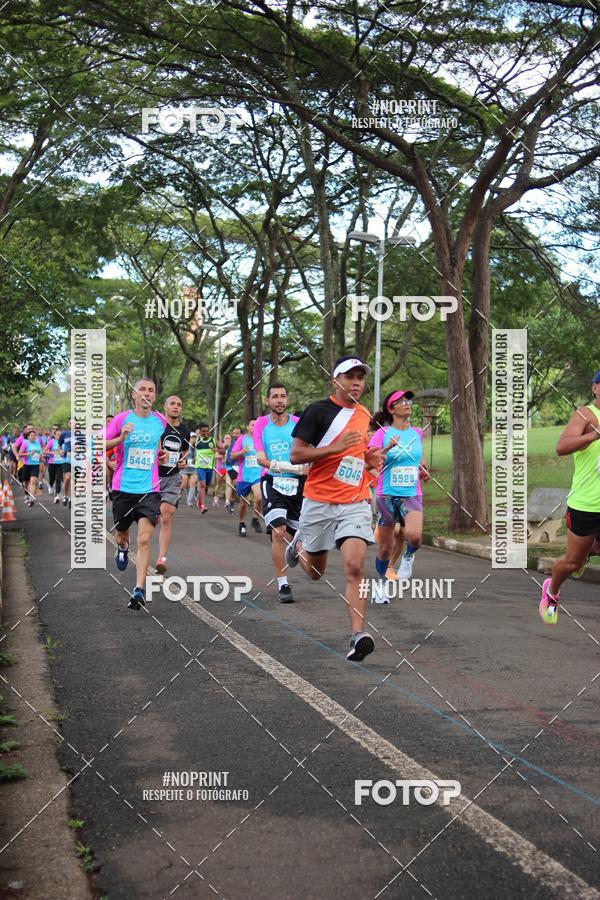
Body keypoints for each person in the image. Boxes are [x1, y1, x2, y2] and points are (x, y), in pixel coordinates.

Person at [285, 356, 383, 661]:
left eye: (360, 377)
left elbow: (357, 455)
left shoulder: (365, 413)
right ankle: (300, 546)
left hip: (354, 502)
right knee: (315, 572)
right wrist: (335, 448)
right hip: (318, 501)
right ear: (335, 381)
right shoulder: (317, 411)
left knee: (355, 567)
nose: (356, 382)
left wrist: (369, 460)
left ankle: (358, 635)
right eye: (350, 376)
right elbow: (296, 455)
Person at [539, 371, 600, 625]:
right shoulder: (585, 415)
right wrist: (594, 436)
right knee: (572, 563)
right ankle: (551, 590)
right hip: (586, 504)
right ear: (595, 388)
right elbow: (561, 447)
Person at [104, 377, 167, 610]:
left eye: (151, 391)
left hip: (149, 490)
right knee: (123, 535)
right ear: (134, 395)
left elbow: (158, 447)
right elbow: (98, 444)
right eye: (142, 390)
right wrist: (121, 438)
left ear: (154, 396)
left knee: (143, 538)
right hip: (123, 488)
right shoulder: (122, 419)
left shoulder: (160, 421)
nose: (146, 394)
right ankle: (121, 548)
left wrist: (161, 455)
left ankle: (138, 590)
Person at [368, 390, 430, 603]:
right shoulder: (381, 432)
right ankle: (381, 586)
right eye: (401, 401)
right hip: (386, 494)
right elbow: (371, 461)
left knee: (415, 536)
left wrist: (423, 470)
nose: (407, 404)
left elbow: (419, 460)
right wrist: (388, 447)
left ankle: (409, 556)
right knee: (385, 547)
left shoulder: (417, 433)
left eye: (408, 401)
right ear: (391, 408)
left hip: (412, 494)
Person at [255, 384, 307, 603]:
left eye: (283, 396)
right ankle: (283, 584)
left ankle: (295, 547)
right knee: (278, 532)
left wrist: (307, 467)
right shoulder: (261, 424)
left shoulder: (298, 424)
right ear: (267, 401)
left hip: (299, 486)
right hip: (273, 482)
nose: (279, 400)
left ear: (287, 399)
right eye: (274, 397)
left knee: (300, 540)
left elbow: (308, 452)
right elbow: (261, 459)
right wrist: (291, 468)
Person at [156, 395, 190, 575]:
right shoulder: (157, 425)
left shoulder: (184, 431)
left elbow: (185, 450)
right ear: (165, 406)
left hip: (172, 478)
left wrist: (183, 461)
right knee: (146, 518)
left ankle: (162, 558)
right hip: (152, 478)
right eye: (172, 404)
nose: (176, 407)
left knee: (166, 516)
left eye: (179, 404)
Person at [231, 420, 263, 536]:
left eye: (256, 425)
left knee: (259, 498)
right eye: (252, 425)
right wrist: (242, 451)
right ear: (248, 427)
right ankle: (242, 523)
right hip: (244, 476)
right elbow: (232, 455)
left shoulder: (261, 439)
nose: (254, 427)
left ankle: (255, 519)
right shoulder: (242, 439)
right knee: (243, 503)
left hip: (257, 475)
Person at [193, 424, 223, 514]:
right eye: (203, 431)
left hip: (209, 467)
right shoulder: (197, 440)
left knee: (205, 486)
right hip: (200, 467)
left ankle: (199, 499)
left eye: (207, 431)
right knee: (202, 485)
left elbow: (223, 451)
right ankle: (202, 506)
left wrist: (216, 450)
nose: (206, 433)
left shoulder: (213, 441)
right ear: (200, 432)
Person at [18, 427, 43, 506]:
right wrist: (28, 454)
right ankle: (27, 495)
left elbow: (40, 451)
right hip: (27, 465)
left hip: (35, 465)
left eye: (34, 435)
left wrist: (41, 457)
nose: (33, 437)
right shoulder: (25, 443)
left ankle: (32, 498)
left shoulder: (38, 443)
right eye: (31, 436)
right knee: (26, 482)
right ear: (28, 437)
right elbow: (20, 454)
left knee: (33, 481)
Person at [224, 427, 241, 514]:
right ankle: (227, 501)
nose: (235, 435)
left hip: (240, 468)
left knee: (235, 487)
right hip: (230, 467)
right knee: (229, 484)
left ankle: (232, 501)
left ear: (240, 434)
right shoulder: (232, 444)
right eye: (234, 433)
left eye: (237, 433)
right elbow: (228, 458)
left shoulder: (243, 443)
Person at [58, 420, 74, 508]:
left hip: (78, 459)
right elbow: (59, 445)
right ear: (69, 424)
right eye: (71, 423)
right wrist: (60, 450)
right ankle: (65, 495)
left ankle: (71, 498)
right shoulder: (64, 434)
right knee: (68, 477)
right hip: (67, 458)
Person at [183, 432, 197, 505]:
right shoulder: (185, 446)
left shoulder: (197, 447)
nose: (193, 439)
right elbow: (182, 456)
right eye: (192, 437)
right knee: (185, 483)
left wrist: (196, 459)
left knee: (193, 482)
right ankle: (185, 493)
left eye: (195, 437)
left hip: (193, 468)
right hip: (185, 468)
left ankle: (189, 501)